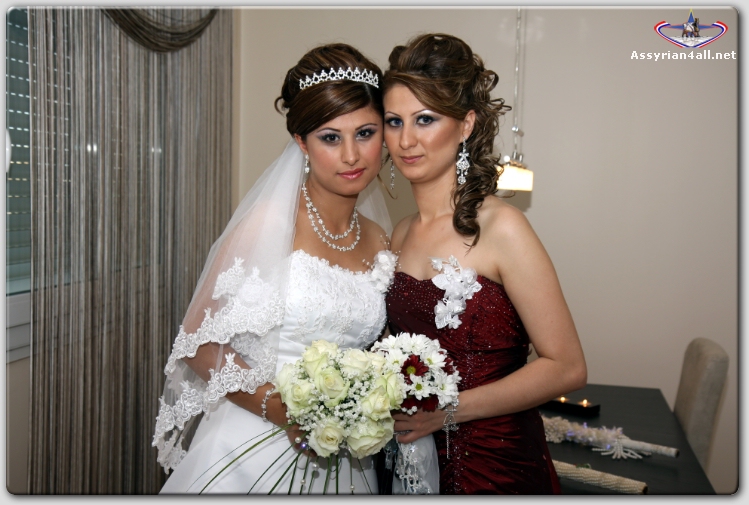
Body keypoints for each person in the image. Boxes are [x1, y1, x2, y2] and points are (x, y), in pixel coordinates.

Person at [153, 43, 395, 494]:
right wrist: (279, 408)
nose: (351, 155)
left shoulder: (380, 239)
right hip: (249, 448)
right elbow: (197, 344)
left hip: (347, 460)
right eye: (330, 137)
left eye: (365, 133)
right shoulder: (269, 224)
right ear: (302, 142)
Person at [382, 33, 587, 494]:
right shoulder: (400, 233)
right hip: (416, 461)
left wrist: (447, 412)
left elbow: (567, 366)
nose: (406, 140)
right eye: (394, 121)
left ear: (466, 125)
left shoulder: (502, 227)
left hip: (497, 465)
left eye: (425, 119)